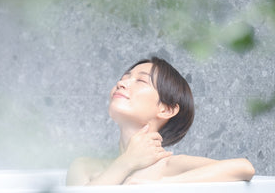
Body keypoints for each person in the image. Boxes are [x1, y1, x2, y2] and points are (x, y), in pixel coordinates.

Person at [66, 57, 255, 186]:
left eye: (141, 81)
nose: (122, 83)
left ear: (166, 109)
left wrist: (163, 185)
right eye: (124, 78)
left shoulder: (169, 167)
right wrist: (126, 162)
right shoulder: (84, 166)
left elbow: (244, 168)